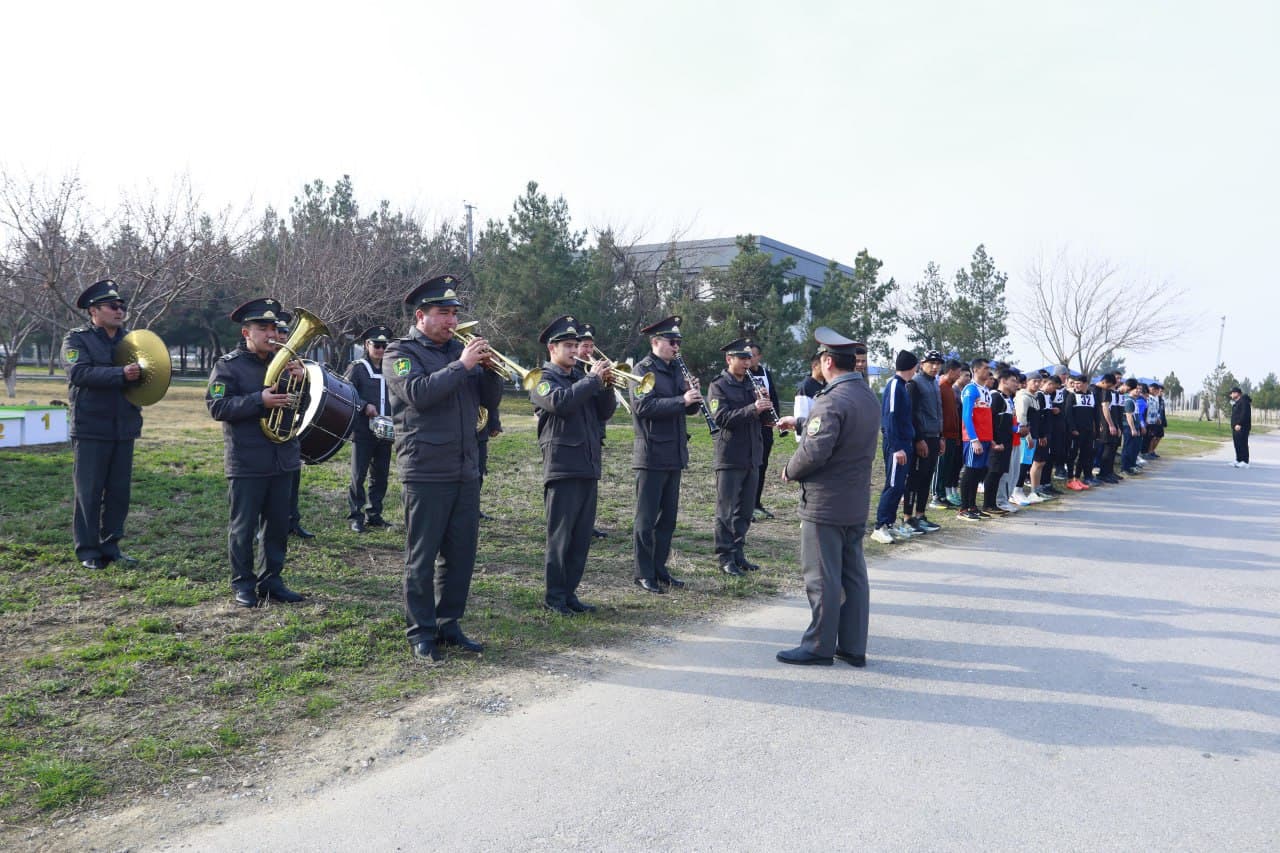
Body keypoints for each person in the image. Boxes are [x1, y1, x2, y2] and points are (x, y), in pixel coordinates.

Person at [384, 275, 503, 662]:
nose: (452, 321)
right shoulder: (400, 352)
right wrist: (463, 365)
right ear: (421, 316)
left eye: (454, 314)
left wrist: (488, 371)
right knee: (422, 556)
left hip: (465, 466)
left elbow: (488, 400)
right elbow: (418, 394)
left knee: (461, 554)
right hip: (425, 469)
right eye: (443, 313)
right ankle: (421, 631)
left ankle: (449, 623)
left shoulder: (458, 350)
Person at [773, 329, 879, 667]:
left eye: (821, 359)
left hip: (826, 502)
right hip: (855, 500)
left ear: (828, 361)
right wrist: (801, 422)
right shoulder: (866, 396)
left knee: (822, 576)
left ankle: (818, 646)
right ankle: (853, 646)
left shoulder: (831, 399)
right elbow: (840, 427)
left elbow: (816, 450)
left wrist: (790, 469)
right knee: (853, 575)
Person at [206, 297, 307, 608]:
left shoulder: (288, 365)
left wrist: (302, 383)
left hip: (283, 457)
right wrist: (258, 401)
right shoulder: (228, 366)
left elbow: (302, 407)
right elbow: (217, 406)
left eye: (274, 328)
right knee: (243, 527)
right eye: (263, 328)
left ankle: (271, 581)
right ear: (246, 333)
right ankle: (243, 583)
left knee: (277, 526)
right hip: (247, 460)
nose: (271, 334)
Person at [529, 315, 617, 615]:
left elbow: (604, 413)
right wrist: (592, 381)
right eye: (567, 345)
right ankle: (554, 598)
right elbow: (561, 403)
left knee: (580, 538)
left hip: (588, 464)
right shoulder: (541, 379)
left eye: (575, 345)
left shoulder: (581, 378)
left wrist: (606, 386)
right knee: (561, 538)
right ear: (552, 348)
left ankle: (569, 594)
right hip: (562, 467)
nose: (574, 350)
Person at [62, 279, 144, 570]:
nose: (119, 311)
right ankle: (87, 550)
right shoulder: (77, 339)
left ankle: (111, 546)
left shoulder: (132, 341)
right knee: (89, 491)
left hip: (124, 425)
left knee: (119, 492)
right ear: (94, 310)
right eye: (112, 306)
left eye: (122, 306)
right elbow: (79, 373)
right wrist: (121, 374)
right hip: (91, 426)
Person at [630, 316, 702, 593]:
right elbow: (643, 407)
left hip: (674, 452)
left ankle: (659, 568)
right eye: (672, 342)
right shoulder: (642, 370)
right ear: (655, 342)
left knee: (668, 520)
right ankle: (643, 572)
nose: (676, 347)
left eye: (678, 342)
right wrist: (680, 400)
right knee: (646, 520)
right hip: (651, 454)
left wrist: (692, 396)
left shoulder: (675, 370)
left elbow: (687, 409)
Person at [708, 338, 772, 576]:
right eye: (742, 359)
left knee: (745, 511)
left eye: (749, 358)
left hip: (752, 455)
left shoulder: (751, 383)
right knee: (726, 511)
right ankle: (725, 557)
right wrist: (753, 408)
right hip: (730, 455)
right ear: (729, 359)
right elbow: (722, 418)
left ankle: (738, 553)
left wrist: (766, 409)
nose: (747, 363)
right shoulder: (719, 386)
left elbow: (761, 417)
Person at [343, 324, 395, 533]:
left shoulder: (391, 367)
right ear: (367, 345)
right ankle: (356, 516)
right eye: (377, 345)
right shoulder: (357, 367)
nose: (381, 349)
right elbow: (346, 392)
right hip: (363, 430)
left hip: (386, 431)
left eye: (384, 346)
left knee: (380, 475)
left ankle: (375, 514)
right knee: (359, 475)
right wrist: (364, 405)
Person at [871, 350, 918, 543]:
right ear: (911, 367)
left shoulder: (903, 386)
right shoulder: (894, 386)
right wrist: (896, 447)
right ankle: (880, 526)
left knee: (899, 486)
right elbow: (889, 418)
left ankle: (889, 524)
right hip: (896, 445)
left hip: (905, 443)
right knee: (892, 485)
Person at [275, 318, 315, 540]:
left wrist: (302, 381)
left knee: (293, 480)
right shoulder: (264, 363)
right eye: (278, 331)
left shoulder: (294, 364)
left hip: (288, 430)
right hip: (265, 432)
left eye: (285, 332)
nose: (282, 336)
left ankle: (293, 522)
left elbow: (305, 404)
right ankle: (264, 526)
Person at [903, 350, 944, 534]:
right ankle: (907, 517)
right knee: (915, 478)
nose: (935, 367)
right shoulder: (915, 383)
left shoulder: (934, 382)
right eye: (931, 363)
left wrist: (941, 436)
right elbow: (912, 413)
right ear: (922, 364)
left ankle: (920, 515)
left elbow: (938, 411)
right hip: (921, 438)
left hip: (934, 436)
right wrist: (919, 439)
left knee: (927, 477)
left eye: (938, 363)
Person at [577, 323, 610, 539]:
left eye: (591, 346)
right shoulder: (575, 371)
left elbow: (603, 410)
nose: (588, 351)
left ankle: (587, 524)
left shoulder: (592, 370)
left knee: (590, 485)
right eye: (584, 346)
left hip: (594, 433)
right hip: (575, 437)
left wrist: (608, 385)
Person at [748, 342, 782, 520]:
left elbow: (773, 396)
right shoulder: (743, 374)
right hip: (750, 425)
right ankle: (746, 505)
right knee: (749, 467)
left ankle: (756, 502)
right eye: (747, 356)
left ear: (759, 357)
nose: (750, 359)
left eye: (753, 355)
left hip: (765, 427)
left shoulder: (765, 373)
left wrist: (775, 419)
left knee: (762, 465)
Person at [957, 358, 993, 520]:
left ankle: (972, 505)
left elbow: (986, 417)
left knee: (979, 471)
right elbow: (966, 416)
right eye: (985, 368)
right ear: (976, 370)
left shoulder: (985, 390)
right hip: (974, 439)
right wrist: (973, 439)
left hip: (986, 438)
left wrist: (990, 438)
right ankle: (964, 508)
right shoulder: (970, 389)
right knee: (970, 471)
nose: (988, 371)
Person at [934, 359, 964, 508]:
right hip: (944, 435)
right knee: (940, 467)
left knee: (947, 468)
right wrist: (941, 435)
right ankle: (936, 496)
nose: (959, 376)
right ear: (951, 371)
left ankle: (943, 495)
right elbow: (939, 413)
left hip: (953, 435)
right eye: (958, 373)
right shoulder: (940, 387)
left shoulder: (950, 389)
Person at [1229, 386, 1252, 467]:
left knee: (1243, 444)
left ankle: (1245, 461)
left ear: (1237, 393)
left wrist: (1239, 423)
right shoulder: (1237, 402)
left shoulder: (1244, 401)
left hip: (1242, 427)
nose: (1231, 395)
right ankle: (1239, 459)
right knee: (1237, 444)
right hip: (1236, 427)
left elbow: (1244, 414)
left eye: (1232, 393)